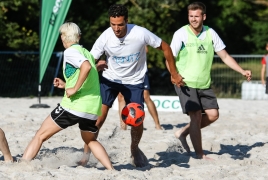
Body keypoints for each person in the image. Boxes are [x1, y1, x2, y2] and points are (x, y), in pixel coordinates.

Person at [78, 4, 184, 167]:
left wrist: (174, 73)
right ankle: (86, 154)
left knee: (137, 120)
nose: (116, 28)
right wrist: (94, 66)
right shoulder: (106, 37)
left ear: (127, 21)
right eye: (113, 24)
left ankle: (134, 149)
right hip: (110, 80)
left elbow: (165, 47)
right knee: (98, 119)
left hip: (134, 82)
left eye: (120, 24)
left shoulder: (140, 33)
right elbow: (89, 60)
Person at [21, 22, 113, 170]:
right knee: (90, 141)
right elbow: (87, 73)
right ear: (79, 36)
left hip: (74, 106)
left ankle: (22, 165)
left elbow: (86, 67)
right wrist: (66, 85)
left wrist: (74, 89)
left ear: (63, 37)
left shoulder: (70, 52)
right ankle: (111, 170)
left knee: (40, 135)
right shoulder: (87, 53)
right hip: (91, 108)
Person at [168, 2, 251, 159]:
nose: (193, 19)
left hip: (204, 83)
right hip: (185, 82)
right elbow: (169, 57)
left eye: (196, 16)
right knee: (196, 116)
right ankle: (200, 154)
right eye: (191, 16)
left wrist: (242, 70)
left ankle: (182, 133)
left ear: (203, 17)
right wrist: (174, 75)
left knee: (213, 115)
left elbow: (225, 56)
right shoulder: (181, 34)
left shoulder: (210, 33)